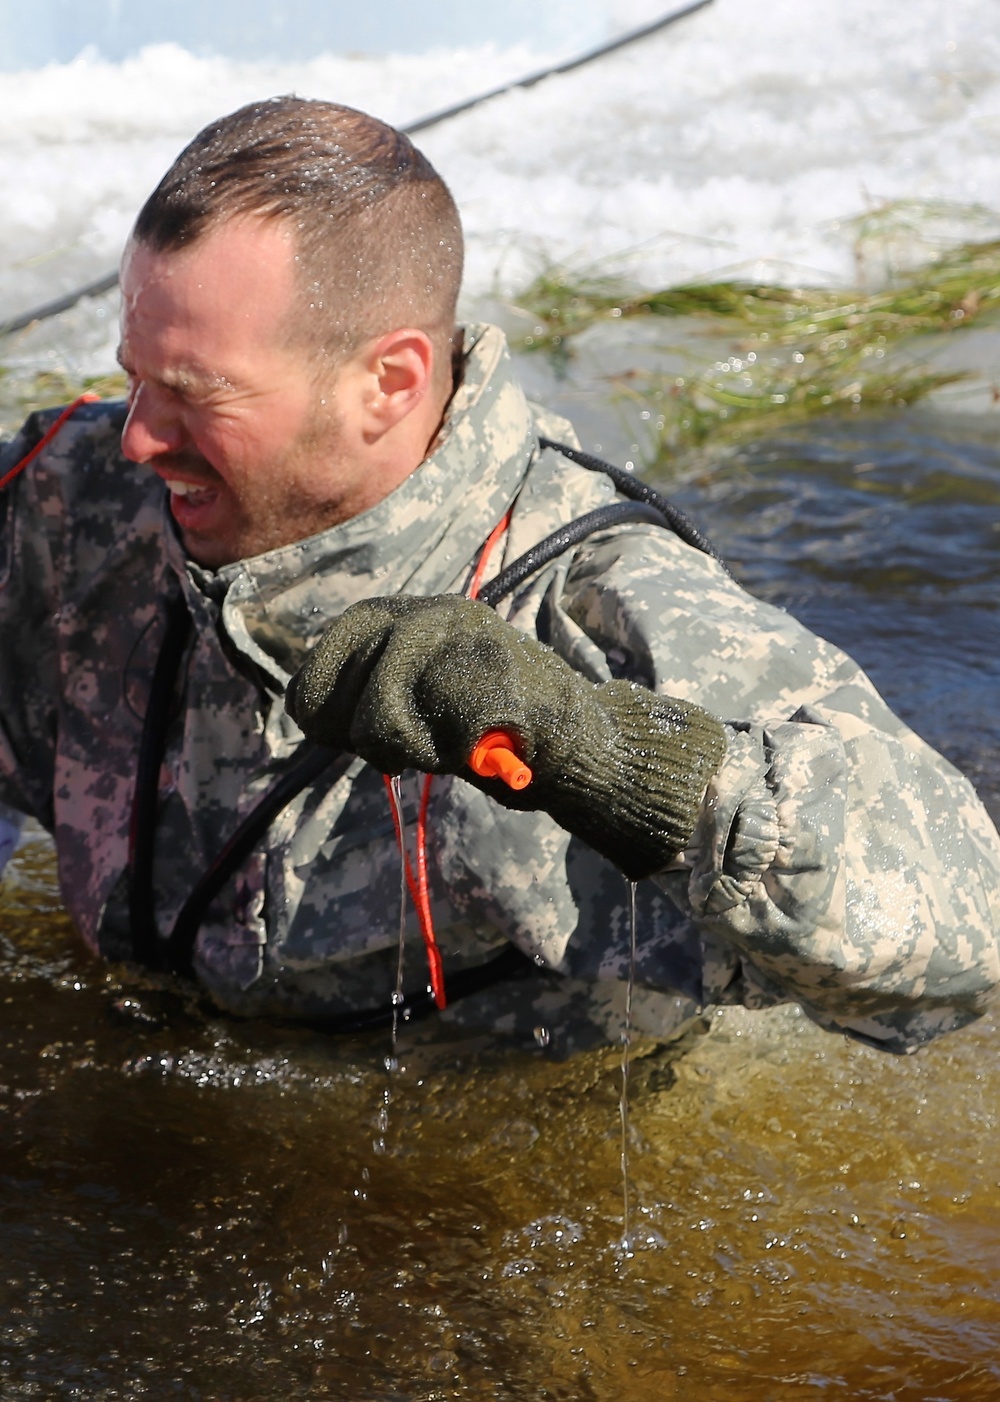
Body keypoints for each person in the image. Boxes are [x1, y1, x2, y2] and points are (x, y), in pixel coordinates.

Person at [0, 97, 998, 1057]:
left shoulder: (597, 597)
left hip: (505, 1133)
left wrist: (601, 753)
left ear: (388, 383)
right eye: (133, 376)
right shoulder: (72, 506)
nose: (137, 437)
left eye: (194, 393)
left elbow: (964, 948)